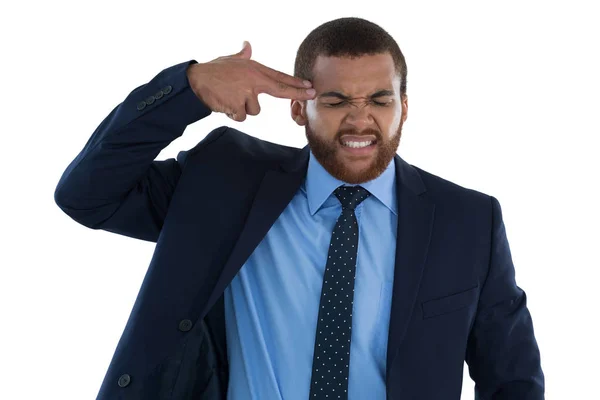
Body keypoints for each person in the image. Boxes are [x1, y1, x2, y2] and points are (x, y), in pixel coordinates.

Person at [54, 17, 544, 400]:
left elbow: (512, 379)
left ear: (404, 107)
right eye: (335, 101)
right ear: (297, 108)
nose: (360, 119)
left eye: (379, 99)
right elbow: (87, 194)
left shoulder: (468, 221)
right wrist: (191, 87)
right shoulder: (225, 181)